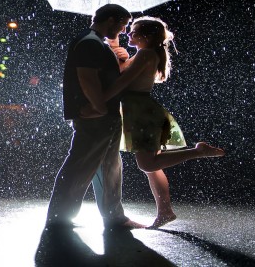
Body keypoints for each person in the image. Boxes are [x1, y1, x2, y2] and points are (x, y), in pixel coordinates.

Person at [86, 16, 226, 228]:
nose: (128, 34)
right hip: (139, 112)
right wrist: (118, 54)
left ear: (147, 36)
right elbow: (123, 73)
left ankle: (197, 151)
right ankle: (165, 211)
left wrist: (100, 100)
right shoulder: (144, 54)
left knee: (147, 163)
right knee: (151, 166)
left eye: (133, 32)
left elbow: (123, 81)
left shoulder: (146, 54)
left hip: (142, 113)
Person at [45, 4, 143, 229]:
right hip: (97, 115)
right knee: (81, 164)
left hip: (103, 114)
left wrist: (119, 57)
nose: (123, 30)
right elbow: (86, 78)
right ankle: (60, 216)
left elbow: (103, 76)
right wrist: (98, 107)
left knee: (109, 166)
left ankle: (112, 216)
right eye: (122, 24)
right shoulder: (90, 42)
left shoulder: (95, 41)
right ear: (110, 20)